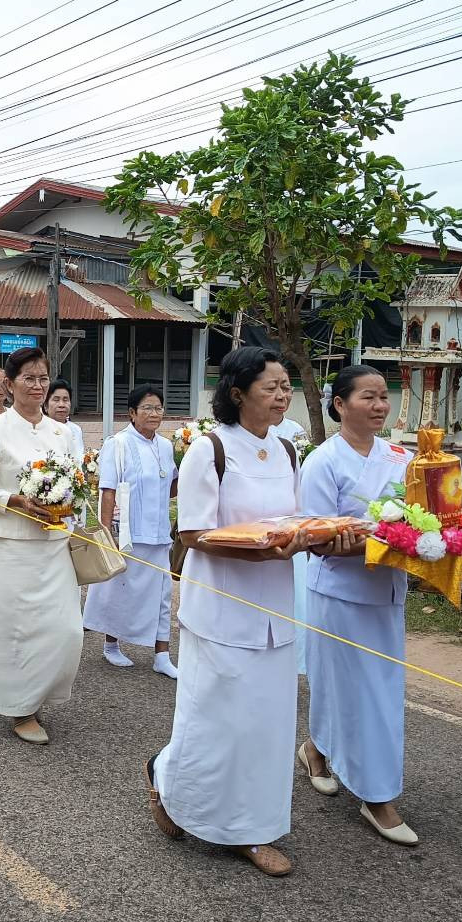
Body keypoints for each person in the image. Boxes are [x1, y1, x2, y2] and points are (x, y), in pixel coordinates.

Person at [146, 346, 311, 877]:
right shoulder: (209, 450)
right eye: (272, 387)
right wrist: (258, 547)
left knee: (268, 722)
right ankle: (184, 795)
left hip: (276, 607)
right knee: (217, 716)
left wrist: (316, 538)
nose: (283, 395)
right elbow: (193, 532)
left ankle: (252, 822)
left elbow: (295, 519)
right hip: (221, 605)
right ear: (238, 393)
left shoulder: (287, 451)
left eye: (287, 386)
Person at [298, 365, 418, 847]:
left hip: (387, 592)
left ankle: (316, 750)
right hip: (339, 594)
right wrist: (358, 541)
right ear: (339, 404)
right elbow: (313, 538)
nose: (379, 405)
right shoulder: (323, 461)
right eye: (367, 397)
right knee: (346, 687)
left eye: (383, 397)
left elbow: (423, 515)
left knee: (382, 690)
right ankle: (377, 795)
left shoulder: (402, 457)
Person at [0, 347, 82, 745]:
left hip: (53, 543)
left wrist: (71, 508)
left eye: (43, 378)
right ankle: (20, 708)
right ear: (9, 385)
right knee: (13, 629)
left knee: (65, 629)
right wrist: (15, 500)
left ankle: (40, 693)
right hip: (11, 544)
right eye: (28, 378)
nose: (37, 385)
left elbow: (76, 484)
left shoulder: (62, 432)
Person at [82, 384, 179, 677]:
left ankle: (162, 654)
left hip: (159, 531)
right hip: (128, 531)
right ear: (132, 413)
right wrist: (106, 531)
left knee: (162, 592)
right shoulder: (119, 443)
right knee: (120, 590)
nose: (154, 413)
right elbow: (107, 488)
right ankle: (111, 645)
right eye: (147, 408)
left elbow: (172, 486)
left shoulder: (165, 445)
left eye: (158, 408)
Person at [44, 378, 85, 458]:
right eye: (56, 400)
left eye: (65, 400)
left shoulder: (76, 429)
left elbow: (79, 456)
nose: (61, 405)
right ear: (46, 405)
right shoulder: (40, 429)